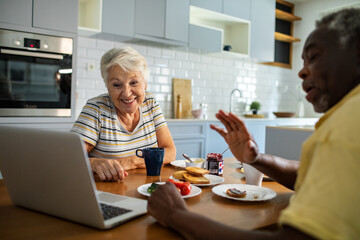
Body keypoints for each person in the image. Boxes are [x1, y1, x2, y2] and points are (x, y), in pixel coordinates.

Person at [148, 8, 360, 239]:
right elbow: (308, 176)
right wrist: (256, 159)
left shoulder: (348, 123)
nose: (301, 71)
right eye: (303, 60)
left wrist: (176, 215)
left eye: (314, 57)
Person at [71, 47, 176, 182]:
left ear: (145, 83)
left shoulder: (149, 103)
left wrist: (131, 161)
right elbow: (69, 157)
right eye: (117, 85)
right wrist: (93, 163)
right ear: (107, 86)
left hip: (147, 188)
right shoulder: (96, 109)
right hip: (107, 193)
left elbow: (170, 151)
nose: (126, 93)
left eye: (134, 82)